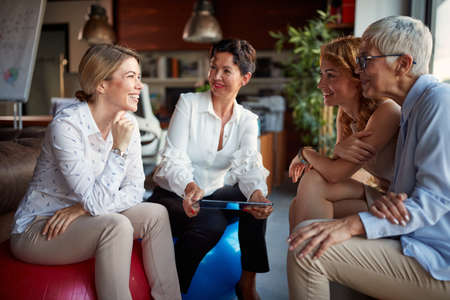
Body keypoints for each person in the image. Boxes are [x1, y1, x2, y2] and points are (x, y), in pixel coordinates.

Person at [287, 16, 450, 300]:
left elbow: (435, 200)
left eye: (365, 61)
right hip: (416, 238)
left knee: (308, 249)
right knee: (307, 226)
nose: (359, 70)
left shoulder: (438, 102)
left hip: (436, 260)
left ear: (403, 64)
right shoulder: (413, 108)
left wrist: (351, 225)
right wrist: (396, 197)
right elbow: (415, 195)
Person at [10, 44, 181, 300]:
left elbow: (135, 190)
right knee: (116, 225)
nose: (139, 86)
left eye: (139, 77)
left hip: (84, 217)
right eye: (131, 77)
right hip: (41, 228)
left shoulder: (127, 123)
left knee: (156, 213)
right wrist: (119, 149)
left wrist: (83, 208)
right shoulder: (66, 127)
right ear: (101, 84)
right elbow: (95, 201)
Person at [149, 39, 273, 300]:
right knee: (213, 224)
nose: (216, 76)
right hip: (173, 194)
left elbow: (249, 166)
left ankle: (247, 284)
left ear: (245, 78)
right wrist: (188, 186)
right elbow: (173, 158)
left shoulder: (248, 120)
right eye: (213, 67)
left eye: (226, 70)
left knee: (255, 201)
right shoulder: (189, 104)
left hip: (211, 196)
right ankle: (170, 292)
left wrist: (258, 195)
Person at [288, 36, 400, 232]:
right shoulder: (346, 114)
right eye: (322, 74)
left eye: (330, 75)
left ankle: (311, 260)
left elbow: (335, 173)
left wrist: (305, 153)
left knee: (312, 182)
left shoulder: (387, 111)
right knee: (297, 204)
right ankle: (311, 259)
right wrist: (337, 150)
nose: (320, 84)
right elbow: (336, 166)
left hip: (399, 204)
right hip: (378, 193)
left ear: (357, 76)